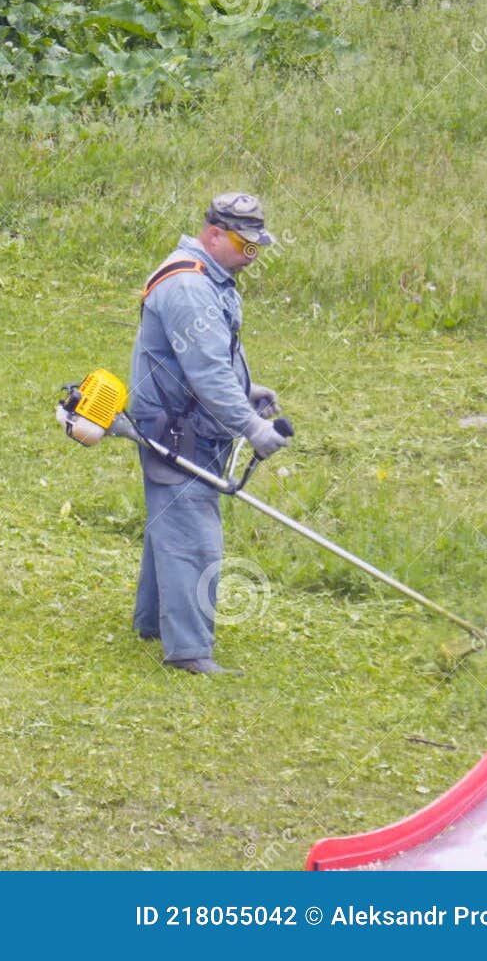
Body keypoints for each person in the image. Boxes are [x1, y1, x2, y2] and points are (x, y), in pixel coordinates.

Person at [127, 193, 288, 676]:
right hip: (177, 429)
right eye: (245, 245)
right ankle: (189, 650)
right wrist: (253, 427)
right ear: (214, 234)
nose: (251, 256)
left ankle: (153, 621)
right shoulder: (190, 288)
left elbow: (211, 363)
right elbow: (209, 374)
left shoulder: (211, 277)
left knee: (171, 522)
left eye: (258, 247)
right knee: (192, 534)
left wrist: (247, 389)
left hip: (189, 418)